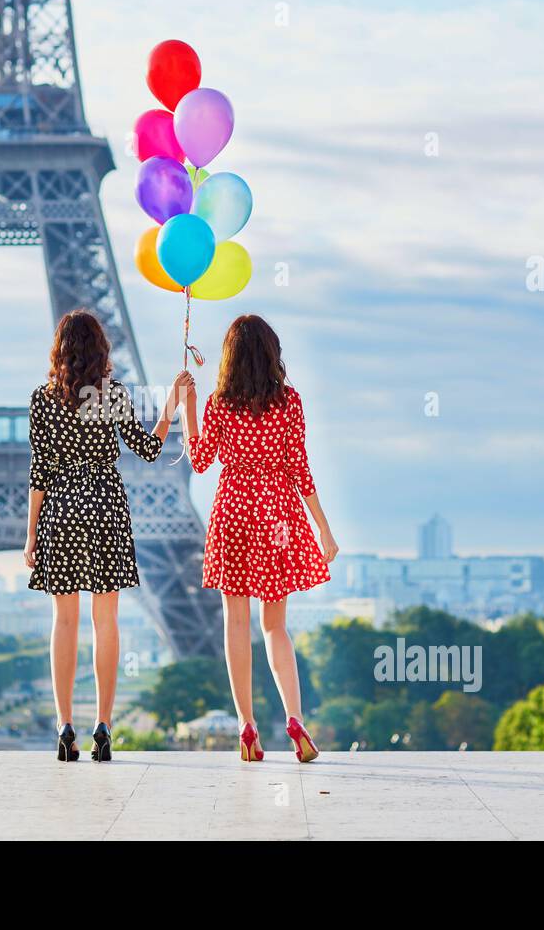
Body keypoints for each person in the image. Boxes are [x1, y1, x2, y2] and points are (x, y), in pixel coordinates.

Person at [25, 310, 190, 762]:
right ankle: (103, 725)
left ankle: (64, 727)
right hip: (105, 505)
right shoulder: (111, 394)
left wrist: (30, 535)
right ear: (102, 349)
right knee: (106, 622)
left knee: (63, 622)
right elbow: (148, 448)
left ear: (59, 349)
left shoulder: (42, 398)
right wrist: (173, 404)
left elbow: (39, 470)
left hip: (61, 506)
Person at [183, 314, 338, 763]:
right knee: (274, 625)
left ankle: (247, 727)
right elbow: (299, 468)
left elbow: (200, 461)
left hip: (233, 509)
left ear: (229, 358)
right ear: (272, 353)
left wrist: (190, 407)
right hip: (276, 513)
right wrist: (323, 527)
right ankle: (294, 718)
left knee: (236, 623)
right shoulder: (289, 402)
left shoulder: (219, 402)